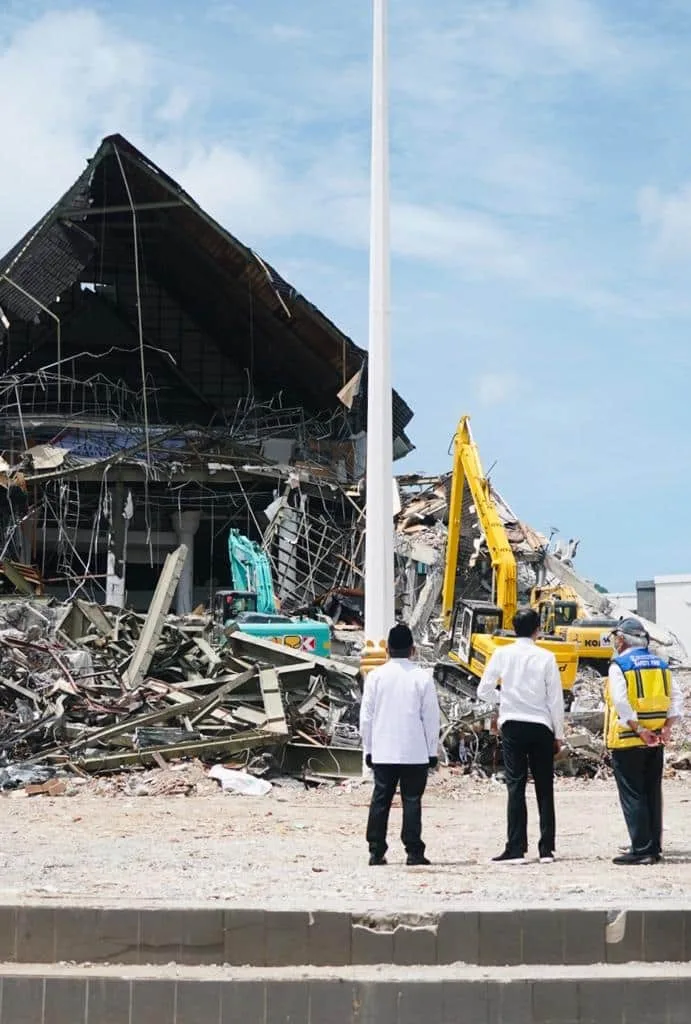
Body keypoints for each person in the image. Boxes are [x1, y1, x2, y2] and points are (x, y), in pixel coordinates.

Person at [477, 606, 564, 864]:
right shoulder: (546, 657)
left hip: (513, 723)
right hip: (541, 725)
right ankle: (546, 849)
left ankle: (515, 847)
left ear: (513, 628)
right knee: (544, 786)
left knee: (515, 785)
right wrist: (559, 733)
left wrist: (504, 698)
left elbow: (484, 690)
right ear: (538, 629)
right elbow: (555, 699)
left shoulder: (502, 653)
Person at [359, 623, 440, 866]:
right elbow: (431, 718)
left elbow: (366, 717)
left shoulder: (375, 677)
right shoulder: (422, 678)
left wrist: (368, 748)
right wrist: (432, 751)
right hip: (415, 751)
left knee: (380, 800)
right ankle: (414, 851)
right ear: (413, 649)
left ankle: (376, 851)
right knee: (412, 800)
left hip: (383, 750)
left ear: (387, 649)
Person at [606, 618, 684, 865]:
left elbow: (620, 701)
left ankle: (641, 850)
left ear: (622, 639)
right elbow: (676, 698)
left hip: (628, 739)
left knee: (633, 794)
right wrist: (667, 727)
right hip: (656, 738)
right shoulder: (661, 664)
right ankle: (654, 846)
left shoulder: (620, 665)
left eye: (616, 638)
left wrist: (639, 729)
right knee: (651, 793)